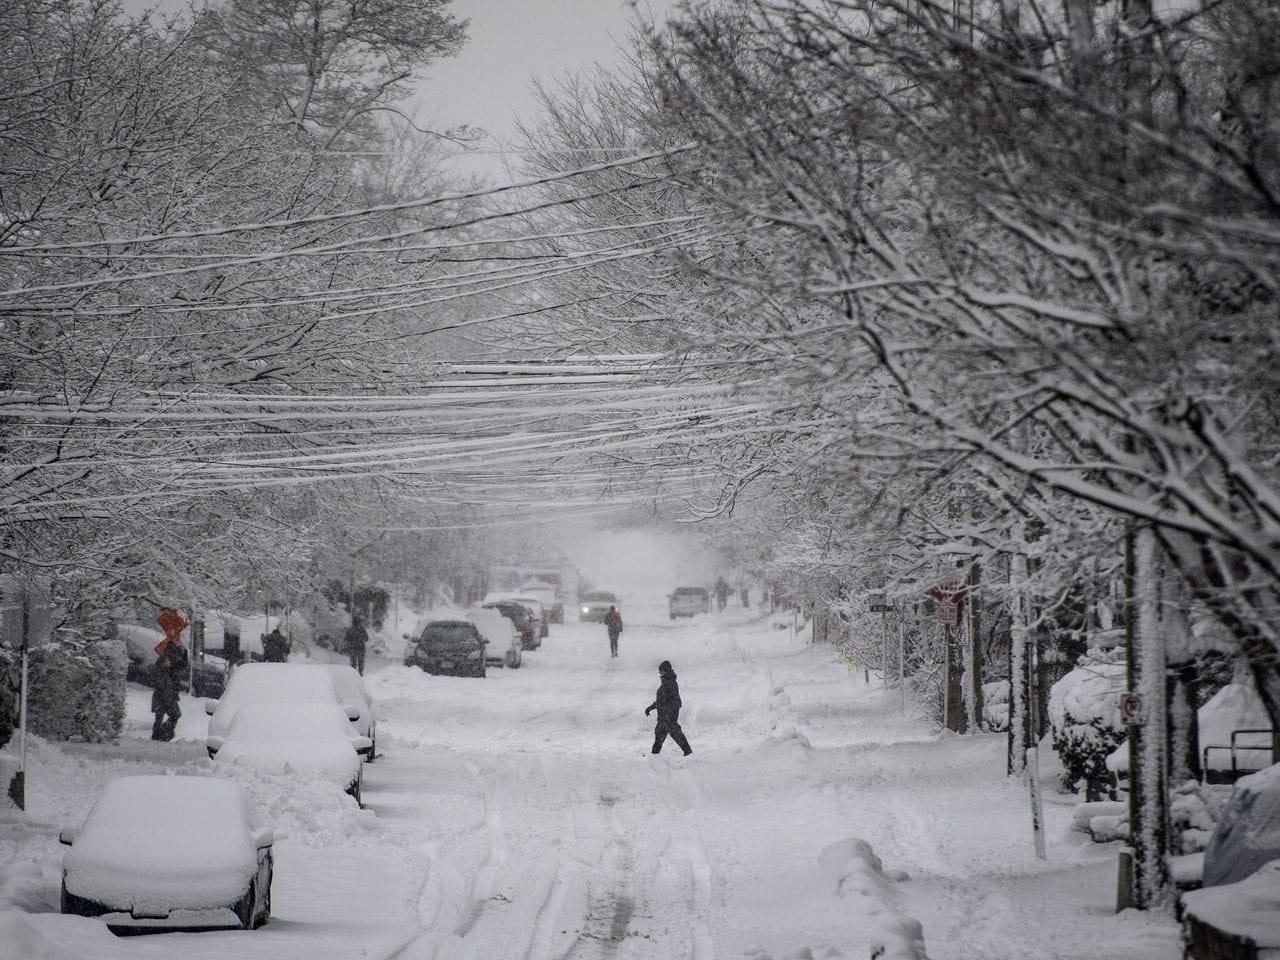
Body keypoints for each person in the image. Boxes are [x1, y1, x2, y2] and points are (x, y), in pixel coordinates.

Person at [645, 660, 692, 756]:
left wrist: (654, 707)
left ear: (666, 671)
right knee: (661, 732)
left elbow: (665, 700)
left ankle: (688, 752)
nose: (660, 673)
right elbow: (661, 700)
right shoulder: (668, 681)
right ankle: (654, 754)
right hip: (666, 714)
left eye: (661, 671)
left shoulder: (669, 683)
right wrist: (651, 707)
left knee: (674, 733)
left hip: (669, 714)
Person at [150, 637, 188, 742]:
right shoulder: (162, 666)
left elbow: (182, 665)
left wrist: (185, 652)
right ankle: (161, 735)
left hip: (165, 695)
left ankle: (161, 734)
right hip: (164, 695)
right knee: (164, 716)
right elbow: (160, 681)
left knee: (164, 716)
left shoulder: (170, 665)